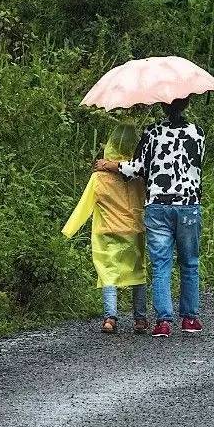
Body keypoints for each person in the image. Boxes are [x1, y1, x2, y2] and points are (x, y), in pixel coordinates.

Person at [95, 95, 205, 339]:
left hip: (158, 206)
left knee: (161, 264)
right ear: (187, 104)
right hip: (189, 205)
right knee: (189, 263)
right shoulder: (197, 133)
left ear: (163, 105)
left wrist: (110, 165)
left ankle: (163, 322)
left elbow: (138, 168)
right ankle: (189, 318)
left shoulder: (152, 132)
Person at [63, 123, 150, 335]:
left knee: (108, 273)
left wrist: (68, 231)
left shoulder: (98, 177)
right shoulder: (139, 176)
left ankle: (110, 318)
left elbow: (83, 207)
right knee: (138, 272)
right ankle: (140, 319)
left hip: (107, 232)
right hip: (134, 230)